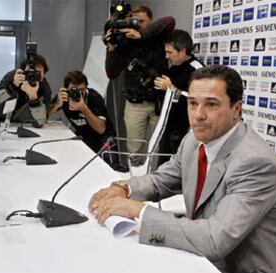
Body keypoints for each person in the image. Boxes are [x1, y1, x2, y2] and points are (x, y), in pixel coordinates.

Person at [88, 65, 276, 273]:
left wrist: (139, 211)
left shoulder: (255, 163)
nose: (198, 115)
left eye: (211, 104)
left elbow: (214, 239)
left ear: (236, 109)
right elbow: (162, 180)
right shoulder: (193, 140)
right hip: (202, 258)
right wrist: (125, 189)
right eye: (192, 103)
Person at [104, 5, 175, 166]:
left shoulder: (158, 37)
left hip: (158, 102)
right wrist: (111, 49)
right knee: (135, 151)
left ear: (151, 21)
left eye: (142, 21)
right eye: (135, 22)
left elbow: (170, 21)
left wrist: (141, 34)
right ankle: (135, 182)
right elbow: (111, 73)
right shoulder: (125, 43)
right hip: (135, 104)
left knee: (156, 149)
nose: (138, 24)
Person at [153, 29, 204, 163]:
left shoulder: (198, 71)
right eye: (166, 52)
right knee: (163, 169)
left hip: (185, 131)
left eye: (170, 52)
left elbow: (200, 101)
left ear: (182, 51)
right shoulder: (173, 68)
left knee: (178, 172)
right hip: (167, 127)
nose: (166, 56)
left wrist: (171, 89)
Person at [49, 71, 117, 164]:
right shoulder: (64, 97)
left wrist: (83, 108)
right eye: (74, 90)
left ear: (86, 88)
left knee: (107, 160)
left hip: (103, 137)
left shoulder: (94, 98)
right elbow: (43, 117)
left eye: (81, 90)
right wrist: (57, 104)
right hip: (83, 135)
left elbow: (101, 129)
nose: (78, 94)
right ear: (66, 90)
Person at [0, 54, 51, 127]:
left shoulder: (44, 88)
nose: (33, 76)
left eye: (37, 73)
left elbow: (40, 121)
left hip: (23, 125)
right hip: (0, 122)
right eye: (29, 72)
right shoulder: (13, 76)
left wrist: (33, 98)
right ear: (23, 71)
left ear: (44, 75)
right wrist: (13, 87)